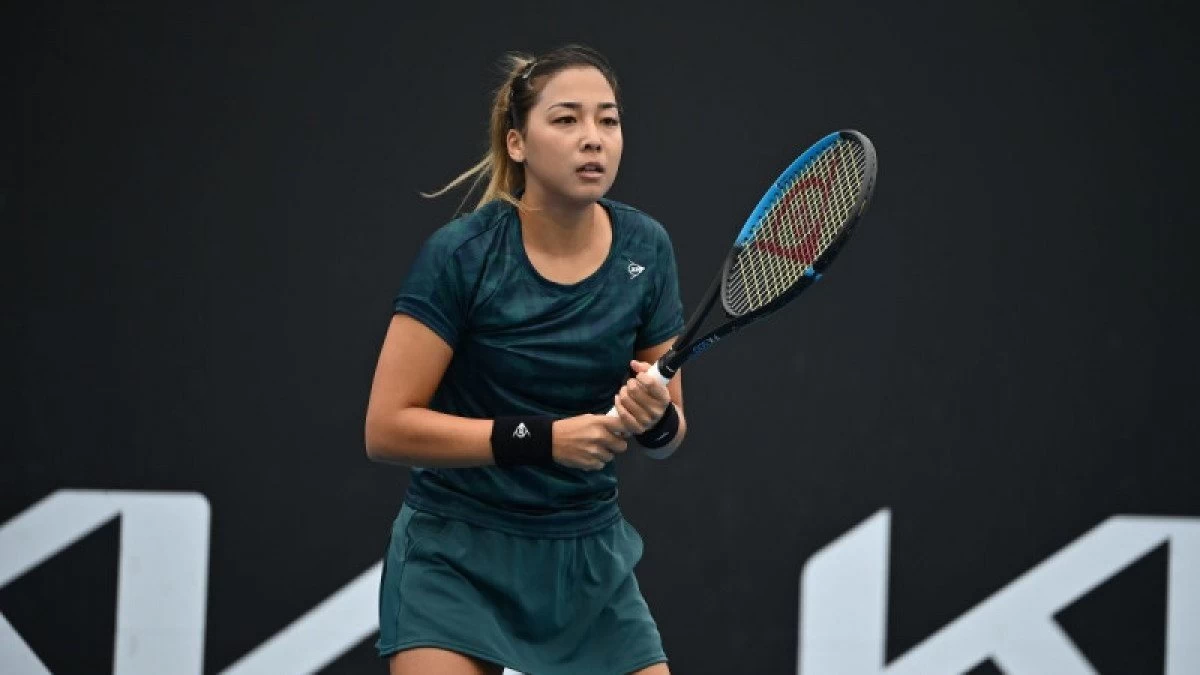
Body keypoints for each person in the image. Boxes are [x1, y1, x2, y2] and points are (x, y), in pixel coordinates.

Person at [364, 44, 686, 675]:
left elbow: (670, 432)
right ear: (517, 144)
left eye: (608, 120)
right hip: (456, 554)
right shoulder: (460, 256)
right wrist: (543, 440)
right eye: (566, 119)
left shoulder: (647, 248)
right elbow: (387, 428)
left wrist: (654, 419)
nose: (592, 138)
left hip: (586, 561)